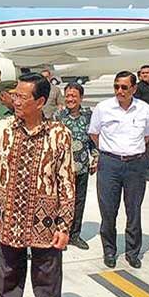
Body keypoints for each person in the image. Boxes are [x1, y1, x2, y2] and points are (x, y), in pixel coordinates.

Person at [0, 73, 75, 297]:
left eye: (22, 97)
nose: (15, 101)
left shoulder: (59, 134)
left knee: (48, 287)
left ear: (41, 101)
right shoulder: (3, 129)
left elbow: (66, 182)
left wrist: (64, 226)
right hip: (9, 221)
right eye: (15, 96)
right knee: (7, 283)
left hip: (45, 224)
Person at [89, 71, 149, 269]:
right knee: (108, 210)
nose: (120, 91)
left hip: (135, 165)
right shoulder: (103, 108)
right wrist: (113, 151)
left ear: (134, 89)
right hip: (110, 164)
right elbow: (94, 133)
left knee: (133, 210)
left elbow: (148, 136)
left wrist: (131, 153)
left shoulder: (144, 109)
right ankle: (109, 250)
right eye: (116, 86)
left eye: (124, 87)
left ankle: (133, 252)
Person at [54, 83, 98, 250]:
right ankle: (60, 234)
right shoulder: (58, 116)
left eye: (74, 96)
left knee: (79, 202)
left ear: (81, 98)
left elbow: (93, 139)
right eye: (68, 96)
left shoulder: (88, 116)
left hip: (81, 167)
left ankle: (74, 235)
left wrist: (95, 158)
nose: (70, 99)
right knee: (61, 202)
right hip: (61, 170)